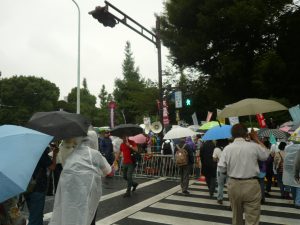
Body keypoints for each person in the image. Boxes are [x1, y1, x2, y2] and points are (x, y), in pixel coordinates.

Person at [49, 128, 111, 225]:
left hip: (69, 193)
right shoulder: (95, 154)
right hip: (88, 194)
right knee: (87, 215)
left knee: (69, 213)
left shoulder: (71, 153)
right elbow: (108, 171)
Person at [218, 124, 270, 225]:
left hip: (234, 184)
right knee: (253, 218)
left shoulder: (227, 148)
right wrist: (256, 139)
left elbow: (221, 168)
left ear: (232, 135)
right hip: (251, 184)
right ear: (246, 133)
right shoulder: (253, 146)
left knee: (236, 216)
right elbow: (266, 155)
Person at [212, 139, 229, 204]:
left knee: (220, 185)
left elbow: (214, 159)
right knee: (229, 185)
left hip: (220, 168)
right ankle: (231, 199)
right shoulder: (229, 147)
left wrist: (219, 159)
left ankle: (220, 199)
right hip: (229, 168)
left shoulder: (216, 149)